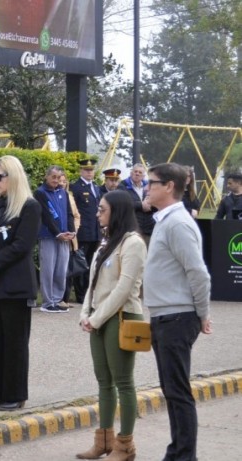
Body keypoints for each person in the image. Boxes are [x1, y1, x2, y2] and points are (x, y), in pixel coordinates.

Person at [143, 163, 212, 461]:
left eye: (152, 183)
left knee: (178, 391)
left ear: (169, 186)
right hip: (165, 316)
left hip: (177, 317)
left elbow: (199, 273)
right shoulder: (167, 221)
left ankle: (184, 456)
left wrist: (203, 314)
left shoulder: (178, 223)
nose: (147, 188)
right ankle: (178, 452)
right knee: (172, 390)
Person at [77, 190, 147, 461]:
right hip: (99, 319)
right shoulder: (106, 242)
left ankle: (125, 446)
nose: (97, 213)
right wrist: (85, 313)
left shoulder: (133, 243)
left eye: (102, 209)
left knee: (123, 382)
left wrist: (94, 318)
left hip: (122, 318)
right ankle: (103, 441)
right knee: (103, 382)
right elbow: (92, 284)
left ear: (116, 211)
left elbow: (123, 288)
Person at [0, 155, 41, 411]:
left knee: (14, 342)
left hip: (14, 284)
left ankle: (14, 393)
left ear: (13, 177)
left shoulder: (29, 206)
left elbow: (22, 246)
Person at [34, 165, 75, 313]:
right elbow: (46, 216)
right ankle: (47, 301)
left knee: (61, 269)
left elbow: (69, 213)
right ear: (47, 177)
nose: (56, 180)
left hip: (64, 237)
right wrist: (57, 233)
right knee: (48, 269)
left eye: (58, 178)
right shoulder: (40, 193)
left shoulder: (63, 193)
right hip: (48, 236)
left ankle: (58, 299)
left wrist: (72, 232)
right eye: (53, 177)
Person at [70, 159, 102, 304]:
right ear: (81, 171)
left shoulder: (95, 187)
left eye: (91, 170)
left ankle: (88, 292)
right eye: (86, 170)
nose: (89, 172)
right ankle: (81, 294)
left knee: (91, 263)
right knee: (81, 264)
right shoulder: (76, 187)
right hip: (83, 231)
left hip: (95, 231)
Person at [60, 172, 81, 309]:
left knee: (69, 270)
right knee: (60, 269)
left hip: (71, 237)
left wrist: (74, 231)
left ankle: (66, 298)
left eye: (64, 181)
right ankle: (59, 298)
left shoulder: (70, 197)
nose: (62, 183)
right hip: (60, 236)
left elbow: (76, 216)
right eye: (59, 181)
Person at [121, 163, 155, 244]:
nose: (137, 173)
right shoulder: (123, 186)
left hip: (148, 228)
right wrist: (141, 205)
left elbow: (157, 201)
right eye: (135, 171)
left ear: (143, 176)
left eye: (140, 172)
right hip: (131, 229)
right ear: (131, 173)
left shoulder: (149, 186)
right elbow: (122, 203)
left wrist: (150, 204)